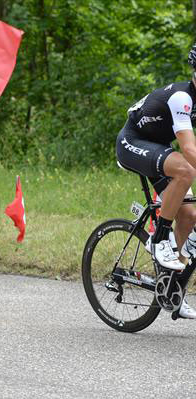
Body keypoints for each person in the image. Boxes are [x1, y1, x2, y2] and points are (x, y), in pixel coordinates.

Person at [116, 44, 196, 319]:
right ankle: (159, 236)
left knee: (189, 215)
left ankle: (172, 288)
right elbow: (189, 150)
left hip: (158, 148)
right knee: (185, 169)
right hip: (132, 143)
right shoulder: (182, 98)